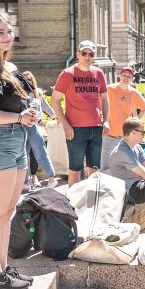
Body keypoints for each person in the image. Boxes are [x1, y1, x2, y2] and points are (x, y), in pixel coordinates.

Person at [0, 12, 39, 289]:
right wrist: (18, 118)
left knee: (8, 211)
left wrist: (29, 113)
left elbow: (16, 103)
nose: (6, 35)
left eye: (9, 30)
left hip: (17, 140)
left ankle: (2, 267)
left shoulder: (8, 65)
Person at [51, 40, 109, 186]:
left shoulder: (99, 73)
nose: (87, 57)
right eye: (84, 53)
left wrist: (106, 120)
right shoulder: (67, 74)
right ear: (78, 54)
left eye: (91, 54)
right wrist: (65, 124)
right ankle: (73, 203)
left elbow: (104, 98)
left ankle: (91, 202)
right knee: (75, 169)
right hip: (75, 129)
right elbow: (55, 101)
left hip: (96, 128)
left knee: (94, 169)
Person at [101, 65, 145, 173]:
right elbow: (98, 103)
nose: (126, 78)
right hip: (110, 134)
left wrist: (136, 119)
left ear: (132, 78)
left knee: (126, 167)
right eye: (124, 75)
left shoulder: (134, 92)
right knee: (106, 167)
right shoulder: (109, 89)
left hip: (126, 137)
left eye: (129, 76)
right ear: (120, 75)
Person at [21, 70, 57, 189]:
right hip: (22, 127)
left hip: (35, 128)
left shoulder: (37, 94)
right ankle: (26, 182)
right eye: (25, 79)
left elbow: (46, 107)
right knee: (23, 155)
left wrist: (55, 118)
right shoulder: (19, 94)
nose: (28, 81)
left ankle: (51, 178)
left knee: (41, 153)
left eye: (30, 79)